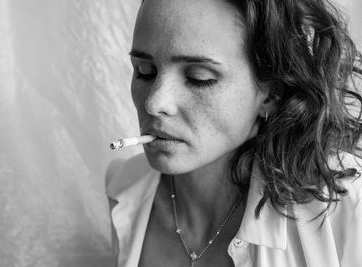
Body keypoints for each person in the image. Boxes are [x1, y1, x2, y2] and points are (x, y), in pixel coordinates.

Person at [106, 0, 362, 266]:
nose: (154, 103)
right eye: (145, 72)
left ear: (271, 92)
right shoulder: (123, 189)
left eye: (198, 77)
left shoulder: (346, 205)